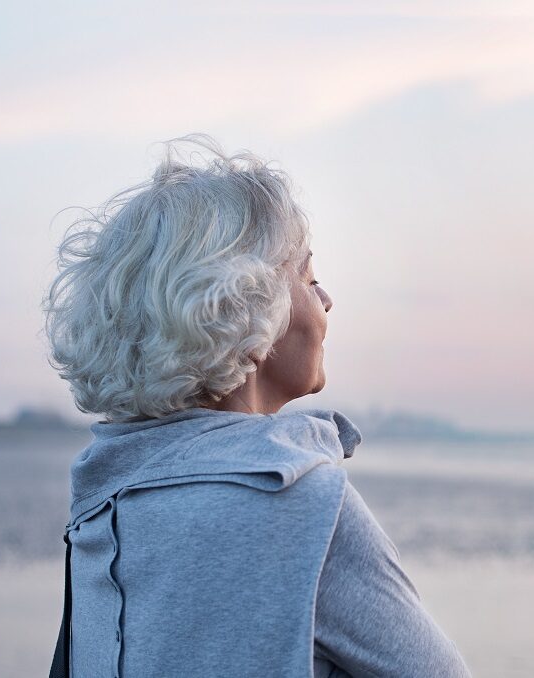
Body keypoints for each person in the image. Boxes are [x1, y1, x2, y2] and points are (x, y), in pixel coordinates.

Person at [43, 135, 471, 677]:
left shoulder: (103, 501)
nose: (326, 299)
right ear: (243, 306)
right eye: (308, 277)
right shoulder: (306, 504)